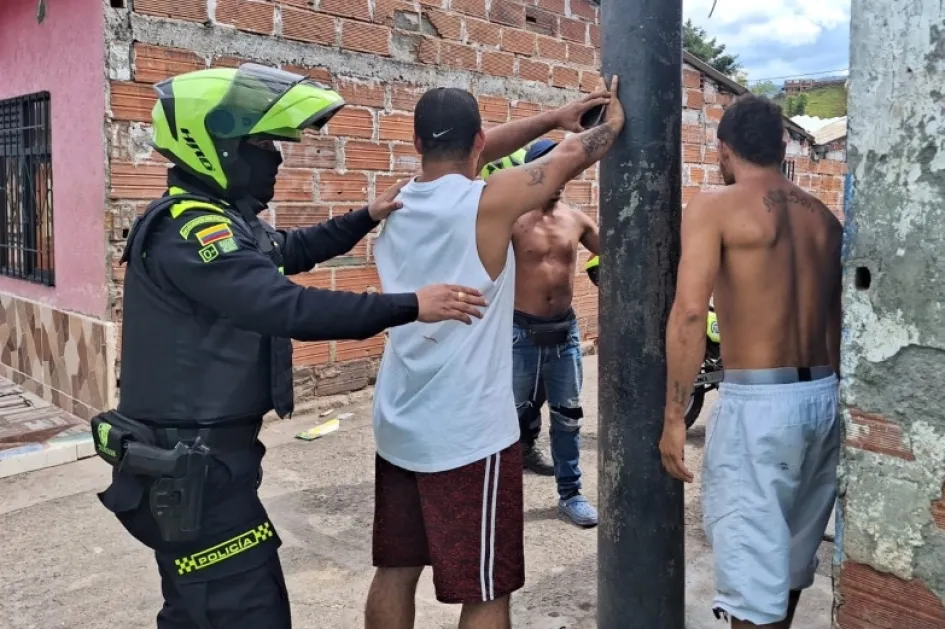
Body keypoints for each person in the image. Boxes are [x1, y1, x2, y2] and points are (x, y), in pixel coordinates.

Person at [92, 63, 488, 629]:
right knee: (241, 610)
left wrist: (367, 215)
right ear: (216, 147)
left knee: (200, 611)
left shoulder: (221, 220)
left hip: (213, 463)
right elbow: (285, 306)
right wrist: (409, 304)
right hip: (192, 470)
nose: (274, 158)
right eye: (261, 144)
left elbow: (291, 248)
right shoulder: (189, 230)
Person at [365, 78, 624, 629]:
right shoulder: (490, 200)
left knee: (395, 568)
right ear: (479, 143)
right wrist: (611, 124)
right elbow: (571, 158)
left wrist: (557, 115)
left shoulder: (395, 201)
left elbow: (477, 151)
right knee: (487, 591)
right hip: (467, 436)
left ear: (415, 143)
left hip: (399, 422)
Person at [659, 94, 843, 629]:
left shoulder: (714, 207)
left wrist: (674, 417)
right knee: (786, 568)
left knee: (749, 576)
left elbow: (692, 314)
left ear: (723, 149)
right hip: (823, 398)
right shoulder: (825, 221)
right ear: (784, 144)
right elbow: (835, 323)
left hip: (760, 406)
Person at [498, 138, 601, 527]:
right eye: (547, 167)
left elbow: (615, 251)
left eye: (563, 167)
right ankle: (500, 497)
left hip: (564, 334)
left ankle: (570, 493)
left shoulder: (576, 220)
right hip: (519, 333)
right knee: (507, 419)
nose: (556, 176)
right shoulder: (512, 220)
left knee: (569, 416)